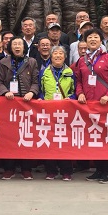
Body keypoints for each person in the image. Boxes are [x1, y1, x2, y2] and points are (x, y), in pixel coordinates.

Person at [75, 28, 108, 184]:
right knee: (94, 136)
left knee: (106, 138)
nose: (93, 40)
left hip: (106, 105)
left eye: (96, 37)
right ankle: (98, 170)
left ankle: (107, 171)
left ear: (101, 40)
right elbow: (78, 81)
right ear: (85, 41)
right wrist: (80, 93)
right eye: (90, 37)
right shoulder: (82, 60)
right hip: (89, 106)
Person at [0, 37, 40, 179]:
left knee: (26, 136)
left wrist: (31, 92)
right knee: (9, 137)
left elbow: (36, 81)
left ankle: (26, 168)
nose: (17, 46)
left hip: (26, 104)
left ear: (24, 47)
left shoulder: (31, 62)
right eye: (14, 44)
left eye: (19, 44)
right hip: (9, 104)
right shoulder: (3, 62)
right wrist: (5, 92)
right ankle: (9, 168)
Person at [39, 45, 75, 180]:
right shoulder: (44, 72)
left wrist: (71, 98)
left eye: (61, 54)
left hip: (65, 112)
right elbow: (40, 90)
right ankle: (51, 170)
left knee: (64, 141)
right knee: (49, 140)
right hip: (48, 111)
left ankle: (66, 171)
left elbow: (76, 91)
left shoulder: (70, 72)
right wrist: (41, 99)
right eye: (55, 53)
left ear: (65, 57)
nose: (58, 56)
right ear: (51, 56)